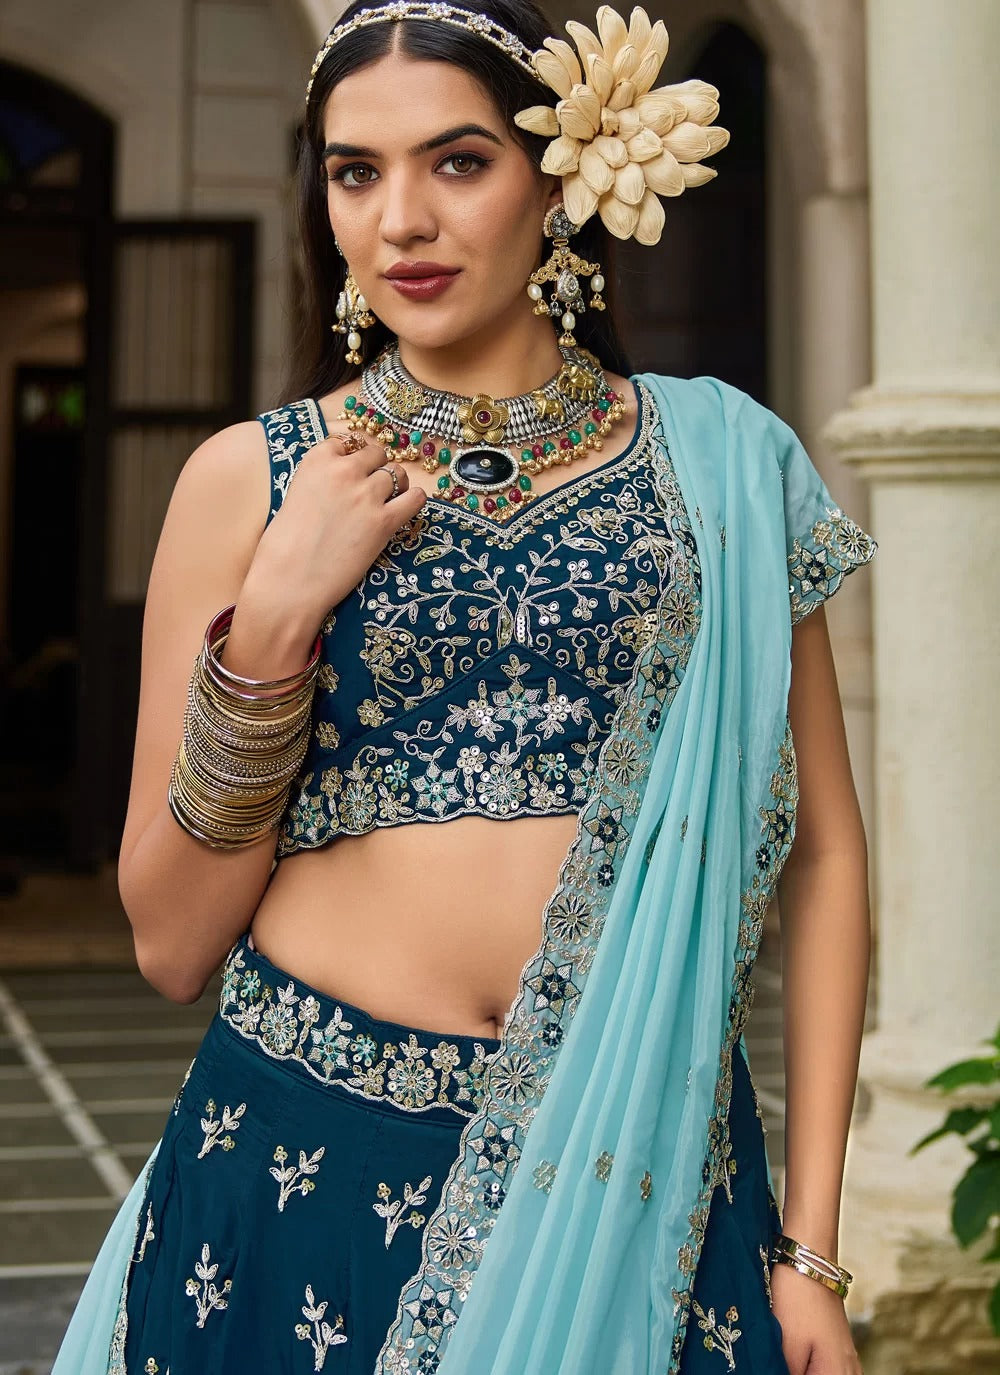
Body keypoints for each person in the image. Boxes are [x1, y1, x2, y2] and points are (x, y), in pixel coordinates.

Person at [54, 2, 876, 1372]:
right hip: (297, 1158)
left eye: (458, 161)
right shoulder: (247, 482)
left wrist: (808, 1251)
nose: (399, 223)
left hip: (640, 1162)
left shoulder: (723, 462)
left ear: (556, 181)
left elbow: (831, 854)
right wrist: (272, 617)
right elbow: (170, 942)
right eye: (355, 171)